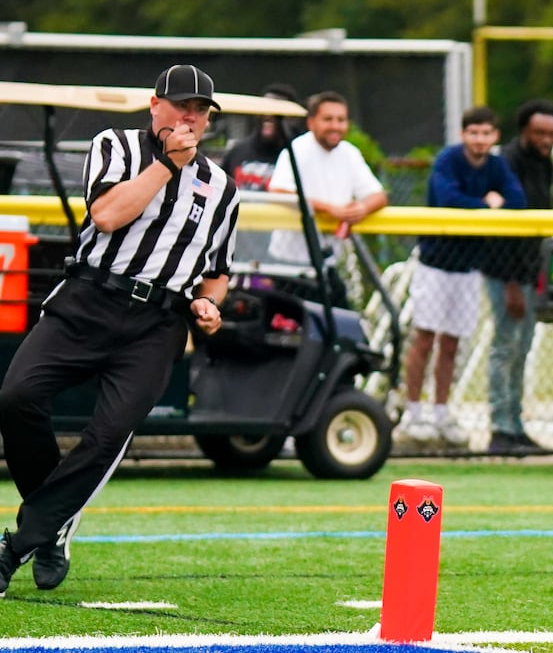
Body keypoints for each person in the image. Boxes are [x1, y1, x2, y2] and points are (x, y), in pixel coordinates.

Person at [0, 65, 235, 596]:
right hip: (88, 298)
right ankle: (56, 520)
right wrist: (168, 166)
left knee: (107, 436)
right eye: (182, 106)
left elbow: (218, 271)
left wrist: (207, 303)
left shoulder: (221, 186)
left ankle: (18, 544)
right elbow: (107, 216)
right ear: (155, 106)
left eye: (201, 111)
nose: (191, 118)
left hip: (156, 323)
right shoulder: (117, 146)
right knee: (16, 397)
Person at [395, 106, 525, 448]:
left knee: (452, 342)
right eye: (474, 133)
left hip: (469, 267)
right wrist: (487, 205)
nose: (480, 140)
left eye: (486, 133)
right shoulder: (448, 159)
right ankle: (413, 410)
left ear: (495, 137)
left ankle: (441, 411)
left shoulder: (497, 165)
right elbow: (447, 197)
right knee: (424, 338)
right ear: (464, 134)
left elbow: (517, 200)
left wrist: (490, 205)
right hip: (436, 262)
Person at [479, 99, 553, 454]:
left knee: (523, 348)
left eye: (552, 134)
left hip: (530, 268)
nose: (546, 139)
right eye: (539, 133)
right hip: (504, 271)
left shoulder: (545, 164)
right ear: (524, 131)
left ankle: (516, 426)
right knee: (505, 347)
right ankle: (500, 427)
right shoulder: (506, 163)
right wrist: (512, 283)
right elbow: (503, 229)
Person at [267, 91, 388, 271]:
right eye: (328, 119)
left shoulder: (349, 153)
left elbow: (379, 195)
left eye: (341, 120)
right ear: (311, 122)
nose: (335, 126)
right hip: (289, 261)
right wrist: (330, 209)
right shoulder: (295, 150)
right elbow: (278, 192)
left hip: (330, 260)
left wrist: (362, 208)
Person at [222, 82, 298, 191]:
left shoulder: (299, 155)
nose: (268, 115)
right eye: (265, 108)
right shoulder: (237, 151)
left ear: (292, 118)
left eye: (277, 110)